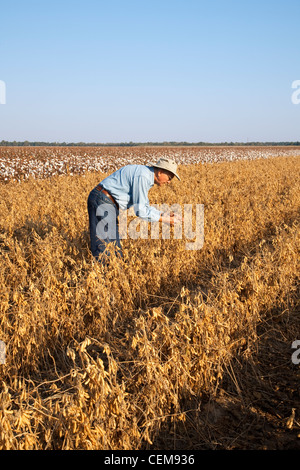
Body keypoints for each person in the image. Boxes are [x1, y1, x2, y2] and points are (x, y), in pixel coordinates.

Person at [87, 157, 181, 262]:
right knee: (105, 248)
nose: (169, 182)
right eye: (169, 177)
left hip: (106, 201)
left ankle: (111, 273)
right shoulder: (143, 176)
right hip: (102, 201)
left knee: (113, 247)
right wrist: (165, 220)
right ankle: (102, 275)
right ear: (160, 172)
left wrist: (164, 215)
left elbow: (144, 206)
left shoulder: (145, 175)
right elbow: (140, 210)